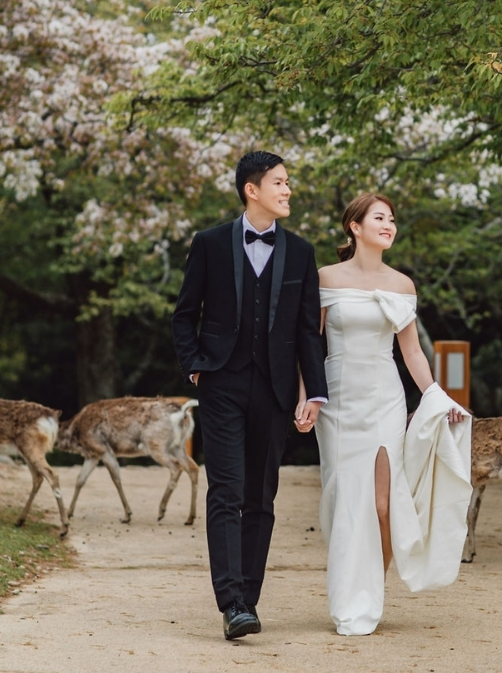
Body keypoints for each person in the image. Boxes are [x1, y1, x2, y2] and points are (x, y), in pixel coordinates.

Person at [298, 192, 473, 636]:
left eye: (392, 219)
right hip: (336, 400)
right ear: (354, 226)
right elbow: (309, 345)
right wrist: (307, 396)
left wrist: (437, 398)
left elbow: (411, 351)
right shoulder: (325, 277)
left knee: (381, 504)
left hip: (385, 400)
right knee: (343, 501)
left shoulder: (402, 284)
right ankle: (347, 594)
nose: (389, 225)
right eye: (380, 218)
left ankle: (368, 593)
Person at [172, 151, 329, 641]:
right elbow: (184, 314)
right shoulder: (211, 243)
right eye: (279, 183)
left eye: (288, 183)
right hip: (221, 382)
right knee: (226, 490)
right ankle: (231, 600)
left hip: (278, 388)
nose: (288, 190)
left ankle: (248, 600)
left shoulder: (301, 252)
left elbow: (309, 331)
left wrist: (314, 393)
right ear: (251, 189)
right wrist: (196, 366)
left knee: (262, 496)